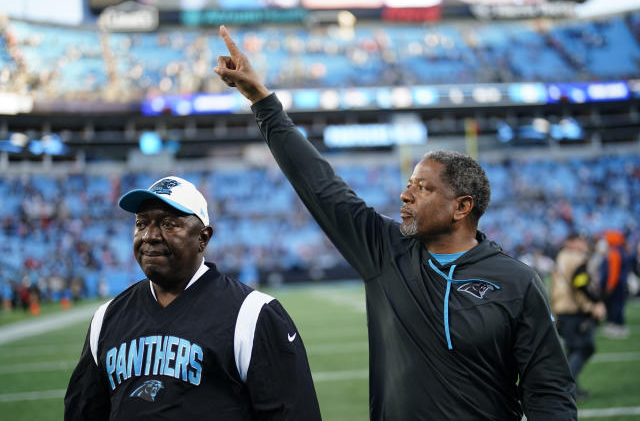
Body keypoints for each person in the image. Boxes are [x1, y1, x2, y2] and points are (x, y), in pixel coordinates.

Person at [215, 26, 576, 420]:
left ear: (462, 207)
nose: (406, 195)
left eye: (422, 188)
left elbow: (550, 391)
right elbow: (320, 184)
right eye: (408, 185)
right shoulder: (385, 250)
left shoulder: (517, 282)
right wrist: (261, 101)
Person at [64, 176, 321, 421]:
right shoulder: (107, 318)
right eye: (141, 223)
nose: (149, 236)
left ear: (203, 238)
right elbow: (83, 412)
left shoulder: (253, 314)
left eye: (168, 224)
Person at [551, 233, 606, 400]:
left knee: (575, 349)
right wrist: (596, 302)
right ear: (572, 242)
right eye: (580, 240)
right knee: (583, 348)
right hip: (573, 310)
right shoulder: (575, 258)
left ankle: (570, 387)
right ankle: (567, 388)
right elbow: (581, 283)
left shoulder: (561, 256)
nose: (583, 243)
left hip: (561, 309)